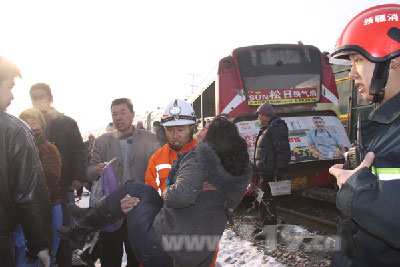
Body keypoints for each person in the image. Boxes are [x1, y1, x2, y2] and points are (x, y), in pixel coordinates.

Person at [57, 116, 252, 267]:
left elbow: (179, 196)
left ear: (211, 138)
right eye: (171, 130)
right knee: (140, 191)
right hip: (197, 254)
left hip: (162, 247)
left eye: (205, 130)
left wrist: (167, 191)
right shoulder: (232, 172)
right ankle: (90, 218)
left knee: (133, 187)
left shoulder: (199, 159)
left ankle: (83, 227)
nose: (201, 132)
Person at [329, 4, 400, 266]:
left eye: (358, 60)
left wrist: (356, 191)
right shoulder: (383, 124)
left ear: (393, 59)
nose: (351, 73)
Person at [85, 97, 160, 266]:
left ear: (132, 114)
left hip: (139, 210)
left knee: (137, 257)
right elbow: (88, 171)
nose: (118, 117)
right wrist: (97, 170)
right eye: (114, 114)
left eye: (122, 113)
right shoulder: (103, 141)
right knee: (110, 258)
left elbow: (159, 170)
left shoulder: (149, 139)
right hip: (111, 211)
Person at [0, 56, 52, 266]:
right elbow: (26, 195)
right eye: (10, 86)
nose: (12, 95)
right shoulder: (14, 130)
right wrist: (39, 243)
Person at [30, 82, 87, 267]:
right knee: (40, 232)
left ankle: (63, 262)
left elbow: (79, 151)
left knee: (64, 232)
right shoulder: (27, 125)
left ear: (50, 98)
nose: (38, 101)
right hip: (36, 192)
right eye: (34, 98)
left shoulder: (66, 123)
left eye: (42, 97)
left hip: (63, 187)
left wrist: (78, 177)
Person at [13, 108, 63, 267]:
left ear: (42, 126)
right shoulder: (16, 147)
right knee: (22, 255)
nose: (32, 125)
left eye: (35, 122)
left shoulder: (49, 149)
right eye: (27, 121)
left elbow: (50, 182)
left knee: (45, 256)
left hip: (48, 209)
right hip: (22, 212)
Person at [253, 102, 291, 239]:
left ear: (265, 115)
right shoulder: (268, 128)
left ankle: (269, 232)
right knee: (262, 199)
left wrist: (279, 171)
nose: (258, 118)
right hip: (263, 171)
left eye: (259, 115)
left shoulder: (276, 128)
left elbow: (283, 151)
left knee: (266, 200)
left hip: (269, 172)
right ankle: (266, 226)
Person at [146, 99, 197, 195]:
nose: (175, 135)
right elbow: (150, 195)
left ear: (192, 128)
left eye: (181, 130)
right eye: (169, 130)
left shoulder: (205, 153)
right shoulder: (156, 158)